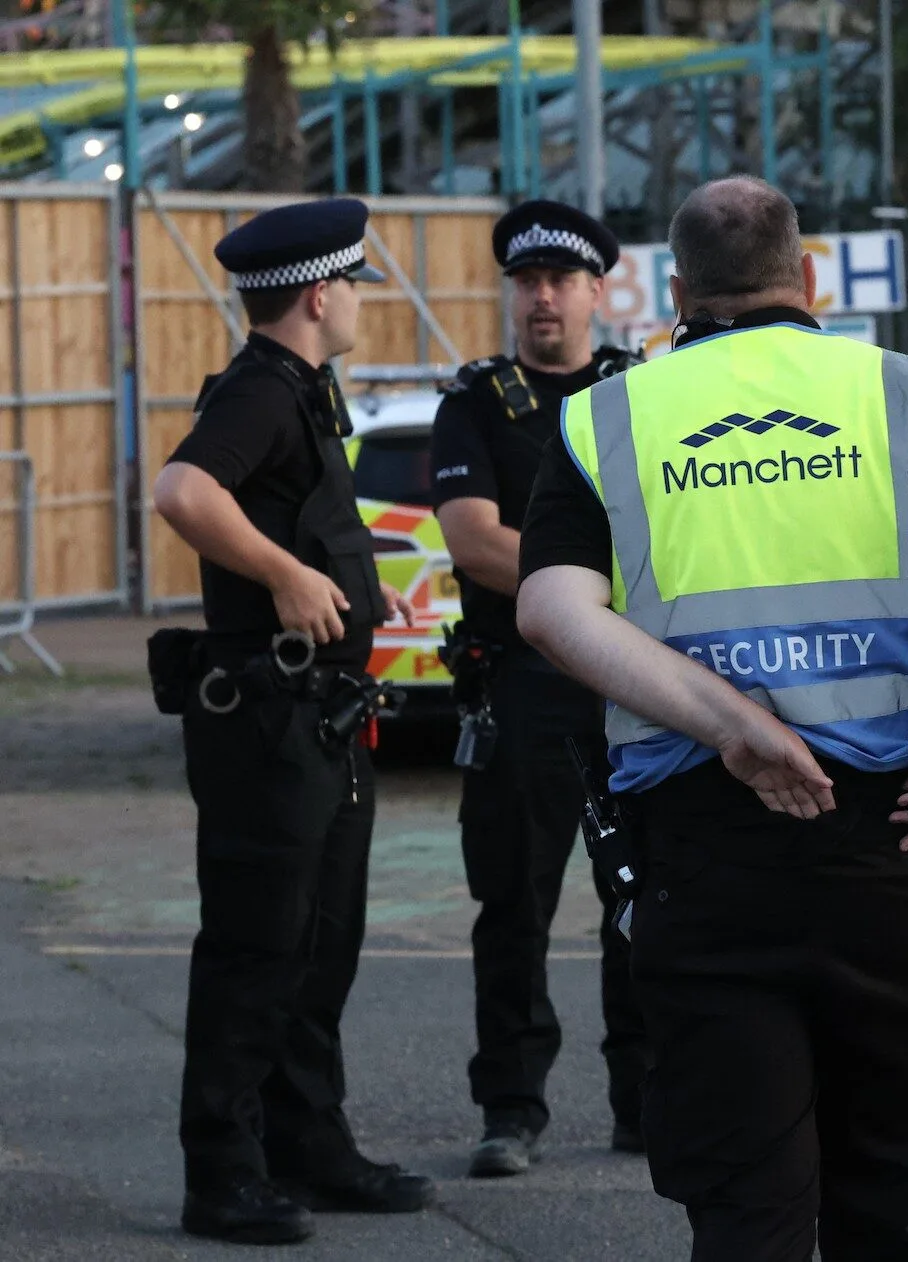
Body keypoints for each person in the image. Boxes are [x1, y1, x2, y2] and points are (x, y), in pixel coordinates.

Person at [514, 176, 908, 1261]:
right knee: (894, 1202)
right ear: (803, 275)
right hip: (899, 836)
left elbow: (548, 610)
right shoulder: (902, 390)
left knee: (747, 1210)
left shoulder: (607, 416)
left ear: (673, 287)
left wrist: (728, 722)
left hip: (707, 850)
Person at [152, 198, 432, 1246]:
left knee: (321, 945)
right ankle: (221, 1171)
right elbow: (183, 490)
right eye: (352, 282)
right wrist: (280, 578)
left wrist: (357, 593)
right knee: (256, 948)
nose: (357, 298)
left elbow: (298, 519)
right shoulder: (260, 392)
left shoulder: (303, 393)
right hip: (266, 721)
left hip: (317, 716)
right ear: (321, 294)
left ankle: (307, 1141)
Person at [429, 198, 649, 1177]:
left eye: (561, 280)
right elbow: (473, 540)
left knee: (640, 895)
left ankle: (644, 1099)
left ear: (598, 291)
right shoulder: (476, 402)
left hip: (630, 684)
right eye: (527, 282)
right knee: (513, 902)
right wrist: (591, 586)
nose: (543, 298)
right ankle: (508, 1108)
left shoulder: (638, 392)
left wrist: (570, 589)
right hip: (521, 686)